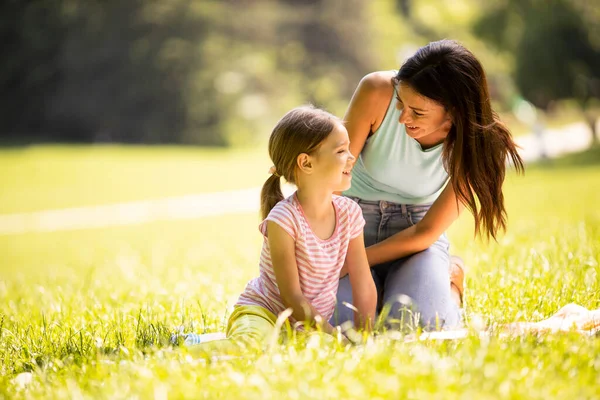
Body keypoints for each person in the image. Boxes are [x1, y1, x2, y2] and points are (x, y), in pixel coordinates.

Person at [330, 39, 524, 330]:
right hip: (350, 228)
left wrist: (356, 263)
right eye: (400, 104)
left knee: (413, 326)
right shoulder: (376, 90)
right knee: (342, 328)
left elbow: (426, 231)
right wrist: (327, 251)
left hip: (415, 238)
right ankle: (386, 290)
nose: (403, 118)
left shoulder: (482, 146)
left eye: (417, 112)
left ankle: (450, 287)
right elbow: (330, 181)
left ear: (456, 111)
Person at [179, 106, 377, 355]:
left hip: (307, 325)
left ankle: (208, 339)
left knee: (325, 355)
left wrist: (364, 339)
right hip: (265, 312)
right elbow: (292, 297)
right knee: (253, 346)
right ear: (306, 162)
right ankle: (187, 348)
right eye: (341, 151)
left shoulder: (349, 213)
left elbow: (363, 281)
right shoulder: (283, 219)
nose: (352, 157)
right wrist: (336, 337)